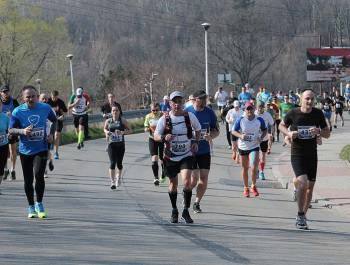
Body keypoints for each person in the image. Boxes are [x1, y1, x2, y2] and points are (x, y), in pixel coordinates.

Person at [279, 88, 330, 230]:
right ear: (301, 99)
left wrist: (319, 131)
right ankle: (300, 214)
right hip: (297, 153)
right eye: (307, 98)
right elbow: (281, 125)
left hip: (312, 155)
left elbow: (327, 134)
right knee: (303, 182)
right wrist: (289, 133)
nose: (310, 101)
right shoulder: (293, 113)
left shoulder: (318, 114)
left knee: (309, 188)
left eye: (312, 99)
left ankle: (303, 216)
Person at [9, 85, 57, 218]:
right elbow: (11, 130)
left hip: (41, 148)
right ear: (23, 98)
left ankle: (39, 203)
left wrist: (51, 134)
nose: (31, 99)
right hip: (25, 151)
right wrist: (22, 131)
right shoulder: (17, 112)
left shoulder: (45, 108)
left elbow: (55, 121)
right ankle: (31, 206)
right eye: (28, 97)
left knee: (39, 175)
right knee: (28, 180)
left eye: (33, 96)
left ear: (37, 96)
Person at [154, 91, 201, 224]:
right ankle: (174, 210)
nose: (177, 104)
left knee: (187, 182)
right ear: (170, 103)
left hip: (186, 155)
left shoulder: (189, 116)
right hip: (170, 157)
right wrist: (164, 137)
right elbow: (156, 135)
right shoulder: (165, 118)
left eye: (179, 102)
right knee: (173, 184)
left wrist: (196, 142)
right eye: (174, 102)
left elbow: (198, 129)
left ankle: (185, 211)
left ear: (183, 103)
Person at [185, 90, 219, 213]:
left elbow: (216, 130)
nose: (205, 101)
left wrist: (211, 136)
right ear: (195, 99)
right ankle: (186, 194)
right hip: (190, 150)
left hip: (204, 150)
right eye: (202, 99)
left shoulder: (209, 112)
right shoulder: (187, 112)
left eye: (206, 99)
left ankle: (196, 203)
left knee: (204, 178)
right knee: (193, 180)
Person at [232, 101, 267, 197]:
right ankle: (246, 187)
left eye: (251, 108)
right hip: (243, 146)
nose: (249, 111)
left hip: (254, 146)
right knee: (245, 168)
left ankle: (253, 185)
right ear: (245, 110)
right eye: (247, 109)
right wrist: (240, 135)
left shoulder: (259, 119)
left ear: (254, 109)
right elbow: (233, 131)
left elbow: (265, 129)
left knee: (254, 167)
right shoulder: (241, 119)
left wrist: (261, 137)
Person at [103, 103, 132, 189]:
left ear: (119, 112)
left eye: (116, 110)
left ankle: (118, 178)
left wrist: (122, 132)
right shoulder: (108, 121)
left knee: (119, 164)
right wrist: (106, 132)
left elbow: (130, 130)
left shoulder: (122, 120)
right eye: (113, 110)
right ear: (111, 112)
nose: (115, 112)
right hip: (111, 144)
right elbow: (104, 128)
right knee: (112, 163)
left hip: (120, 145)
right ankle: (112, 182)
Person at [0, 85, 19, 181]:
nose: (5, 93)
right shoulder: (0, 102)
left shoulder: (14, 101)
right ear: (1, 93)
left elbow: (19, 113)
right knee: (4, 151)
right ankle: (5, 168)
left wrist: (11, 115)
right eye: (3, 91)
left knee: (12, 150)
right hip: (2, 131)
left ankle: (13, 169)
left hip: (12, 128)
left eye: (7, 91)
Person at [144, 102, 164, 186]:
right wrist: (148, 129)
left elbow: (167, 126)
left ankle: (163, 173)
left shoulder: (163, 115)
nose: (155, 112)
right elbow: (145, 127)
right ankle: (156, 178)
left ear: (159, 109)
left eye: (156, 110)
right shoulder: (148, 116)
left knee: (162, 158)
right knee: (154, 158)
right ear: (151, 110)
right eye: (153, 110)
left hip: (161, 139)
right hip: (152, 139)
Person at [255, 102, 274, 180]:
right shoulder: (254, 114)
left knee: (262, 156)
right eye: (259, 107)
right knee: (255, 156)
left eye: (262, 107)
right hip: (255, 138)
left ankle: (262, 171)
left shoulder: (267, 115)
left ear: (264, 108)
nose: (260, 109)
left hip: (264, 138)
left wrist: (272, 133)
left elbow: (272, 124)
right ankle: (256, 170)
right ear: (256, 107)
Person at [47, 90, 67, 160]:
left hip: (58, 121)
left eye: (55, 98)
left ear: (57, 96)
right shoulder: (47, 101)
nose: (54, 99)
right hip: (49, 121)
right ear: (51, 96)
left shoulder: (60, 102)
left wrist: (63, 116)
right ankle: (49, 148)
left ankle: (56, 152)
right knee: (49, 136)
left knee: (56, 136)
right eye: (53, 97)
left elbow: (65, 111)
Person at [39, 94, 55, 178]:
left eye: (46, 99)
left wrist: (51, 134)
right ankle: (50, 160)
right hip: (38, 136)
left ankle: (45, 170)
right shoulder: (36, 110)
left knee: (45, 152)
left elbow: (54, 122)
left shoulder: (50, 110)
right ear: (39, 99)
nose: (44, 100)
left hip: (47, 136)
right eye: (42, 99)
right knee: (43, 154)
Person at [0, 100, 10, 193]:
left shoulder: (5, 117)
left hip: (3, 144)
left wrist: (9, 135)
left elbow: (10, 130)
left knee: (1, 166)